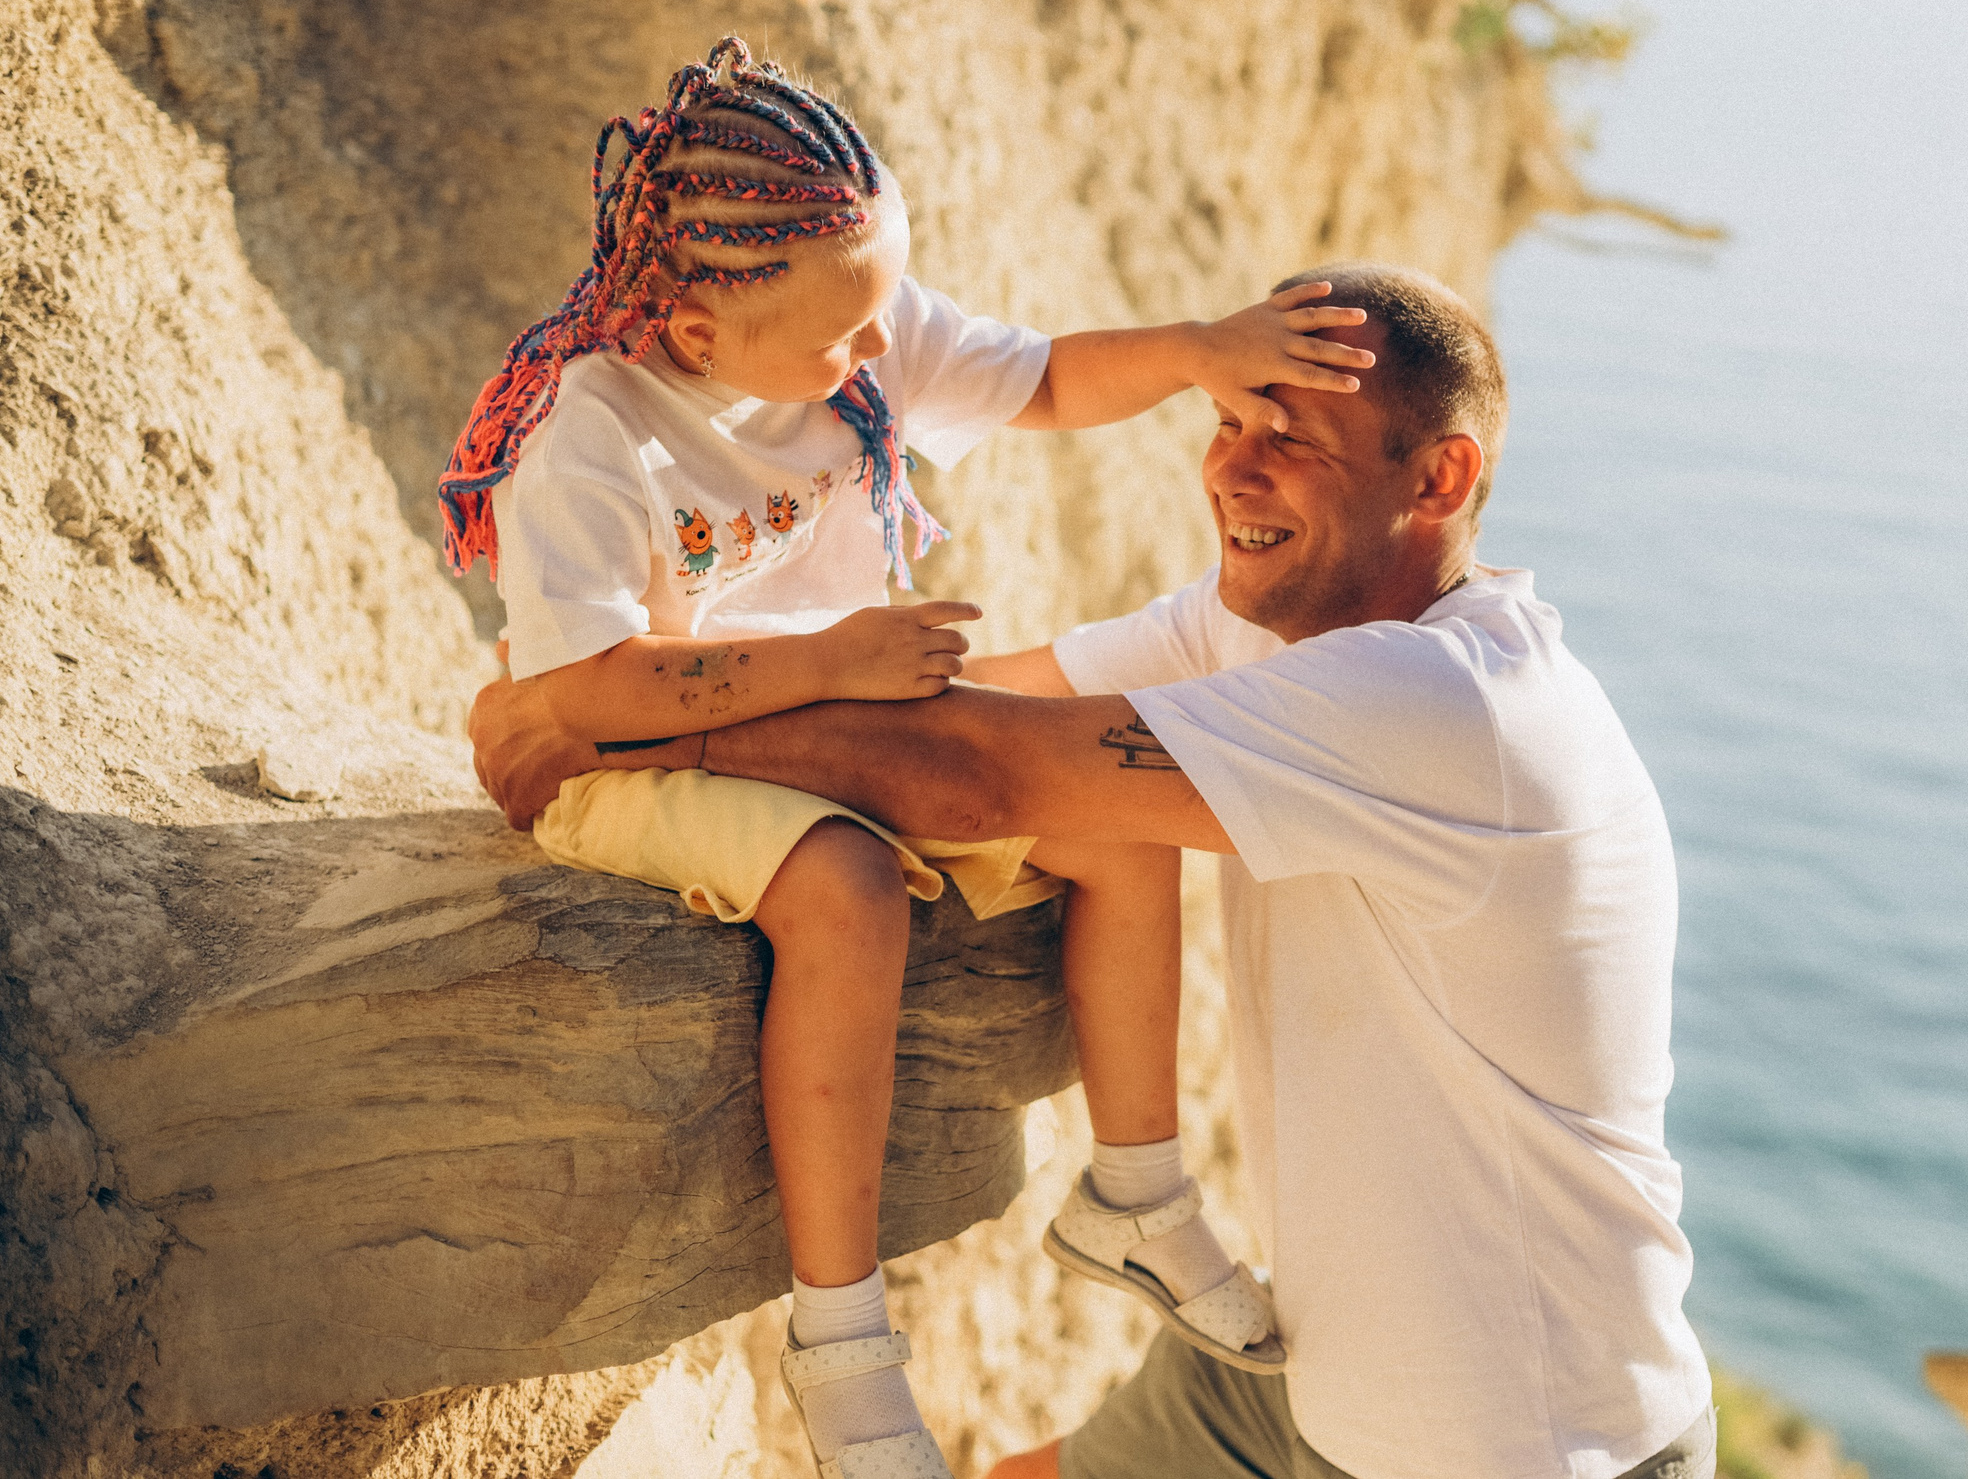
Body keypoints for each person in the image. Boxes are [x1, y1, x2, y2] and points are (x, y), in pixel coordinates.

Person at [471, 262, 1717, 1479]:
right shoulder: (1253, 628)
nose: (1232, 466)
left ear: (1441, 477)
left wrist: (609, 734)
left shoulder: (1448, 704)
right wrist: (637, 707)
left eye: (1293, 441)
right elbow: (979, 701)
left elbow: (973, 769)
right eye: (1230, 420)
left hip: (1521, 1433)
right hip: (1319, 1357)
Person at [440, 39, 1376, 1479]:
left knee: (1113, 824)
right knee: (847, 889)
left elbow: (1051, 379)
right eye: (843, 338)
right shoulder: (596, 438)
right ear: (694, 330)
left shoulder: (852, 321)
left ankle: (1135, 1189)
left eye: (885, 310)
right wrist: (828, 659)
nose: (879, 357)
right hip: (638, 757)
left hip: (835, 721)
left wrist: (1201, 348)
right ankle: (842, 1334)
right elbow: (577, 694)